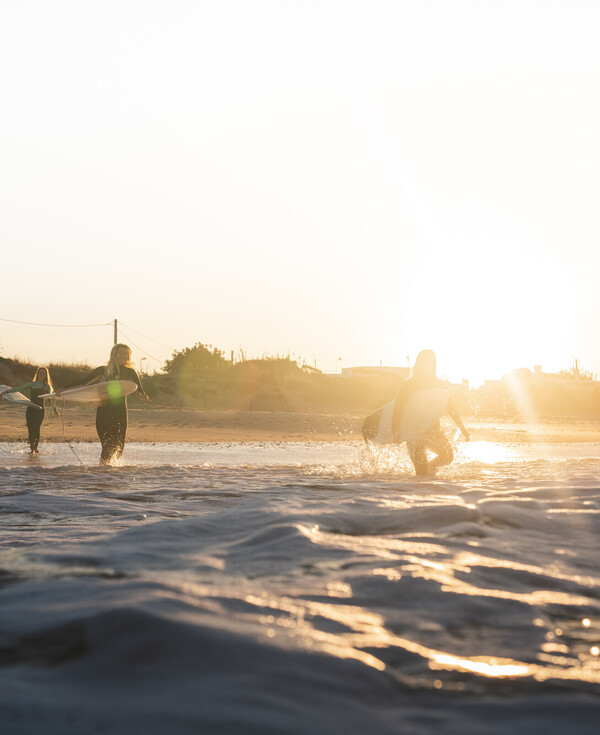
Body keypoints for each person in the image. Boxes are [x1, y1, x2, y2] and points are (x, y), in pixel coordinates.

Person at [58, 344, 149, 464]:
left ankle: (107, 472)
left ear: (128, 356)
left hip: (120, 411)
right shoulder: (103, 370)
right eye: (120, 352)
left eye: (125, 353)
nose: (123, 355)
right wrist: (64, 388)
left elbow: (140, 391)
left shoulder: (130, 372)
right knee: (107, 443)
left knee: (119, 444)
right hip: (104, 410)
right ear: (114, 354)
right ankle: (104, 470)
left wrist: (144, 397)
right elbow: (84, 382)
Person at [392, 350, 470, 476]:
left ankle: (431, 467)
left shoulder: (439, 385)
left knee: (448, 456)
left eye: (431, 363)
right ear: (419, 364)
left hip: (434, 432)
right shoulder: (410, 385)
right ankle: (424, 475)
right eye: (425, 363)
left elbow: (452, 409)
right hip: (414, 435)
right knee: (421, 474)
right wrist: (395, 430)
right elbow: (398, 408)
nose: (428, 366)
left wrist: (463, 430)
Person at [4, 367, 57, 455]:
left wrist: (55, 410)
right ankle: (32, 448)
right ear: (37, 374)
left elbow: (50, 399)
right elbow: (19, 388)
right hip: (31, 409)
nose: (42, 374)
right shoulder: (32, 384)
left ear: (46, 375)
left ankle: (35, 448)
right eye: (40, 373)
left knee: (36, 428)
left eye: (43, 373)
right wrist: (7, 392)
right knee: (30, 429)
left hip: (40, 410)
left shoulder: (47, 387)